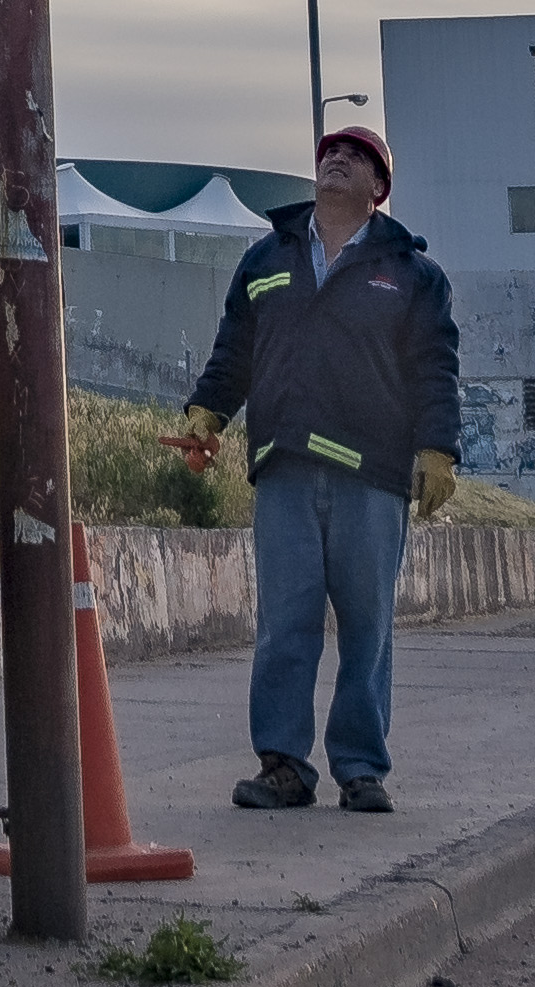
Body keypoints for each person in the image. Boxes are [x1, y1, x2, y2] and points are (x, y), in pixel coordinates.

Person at [182, 121, 462, 814]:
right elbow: (234, 351)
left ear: (379, 189)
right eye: (331, 153)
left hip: (372, 477)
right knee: (286, 623)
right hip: (284, 470)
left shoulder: (412, 275)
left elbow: (434, 369)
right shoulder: (266, 259)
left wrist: (438, 449)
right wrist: (206, 415)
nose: (338, 160)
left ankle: (361, 768)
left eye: (357, 157)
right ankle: (282, 765)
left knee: (368, 628)